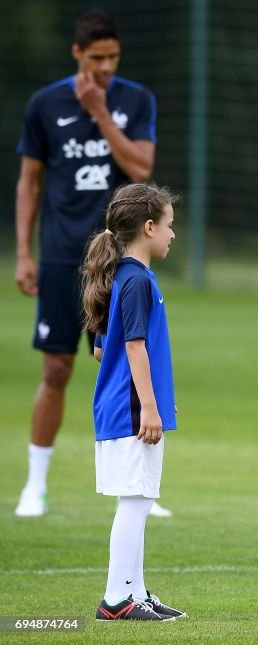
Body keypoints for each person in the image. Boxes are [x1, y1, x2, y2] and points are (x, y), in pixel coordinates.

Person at [14, 10, 170, 518]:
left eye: (114, 58)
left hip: (119, 259)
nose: (106, 67)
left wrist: (100, 112)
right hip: (63, 256)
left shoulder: (134, 100)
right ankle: (35, 485)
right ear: (77, 54)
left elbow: (141, 169)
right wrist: (23, 252)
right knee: (57, 367)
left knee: (123, 359)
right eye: (96, 58)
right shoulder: (44, 104)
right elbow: (29, 182)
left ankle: (139, 487)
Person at [83, 183, 186, 621]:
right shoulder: (137, 280)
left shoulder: (123, 277)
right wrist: (148, 405)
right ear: (148, 227)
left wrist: (158, 399)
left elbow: (101, 348)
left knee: (139, 498)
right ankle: (116, 599)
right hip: (130, 411)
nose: (173, 235)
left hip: (124, 407)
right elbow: (134, 348)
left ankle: (136, 592)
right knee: (135, 501)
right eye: (169, 226)